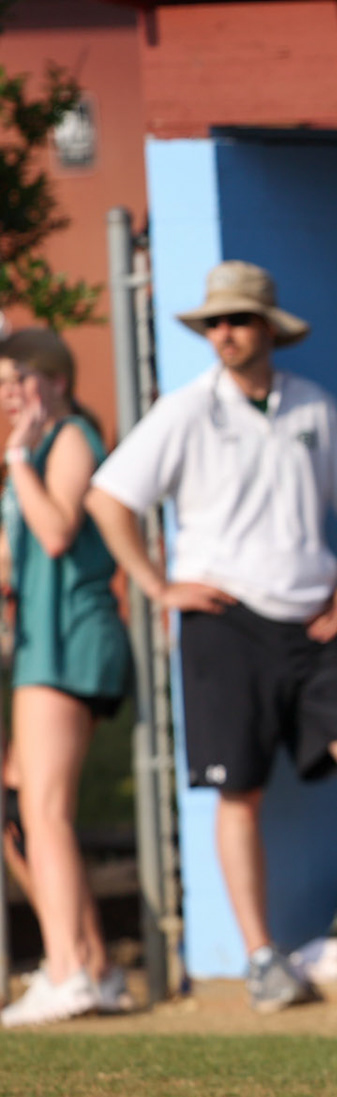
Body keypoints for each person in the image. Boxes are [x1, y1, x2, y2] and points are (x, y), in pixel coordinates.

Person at [85, 260, 337, 1011]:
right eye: (215, 323)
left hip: (313, 621)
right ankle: (259, 959)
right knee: (237, 792)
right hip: (224, 623)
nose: (226, 334)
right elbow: (109, 497)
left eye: (239, 321)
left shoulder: (313, 406)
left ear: (269, 331)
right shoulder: (187, 410)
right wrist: (156, 586)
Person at [0, 330, 133, 1027]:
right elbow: (9, 560)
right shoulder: (26, 461)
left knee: (44, 813)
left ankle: (69, 971)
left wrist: (18, 457)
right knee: (33, 813)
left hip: (70, 643)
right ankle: (96, 969)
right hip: (38, 648)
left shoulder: (71, 437)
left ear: (49, 380)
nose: (6, 396)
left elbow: (54, 532)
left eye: (15, 381)